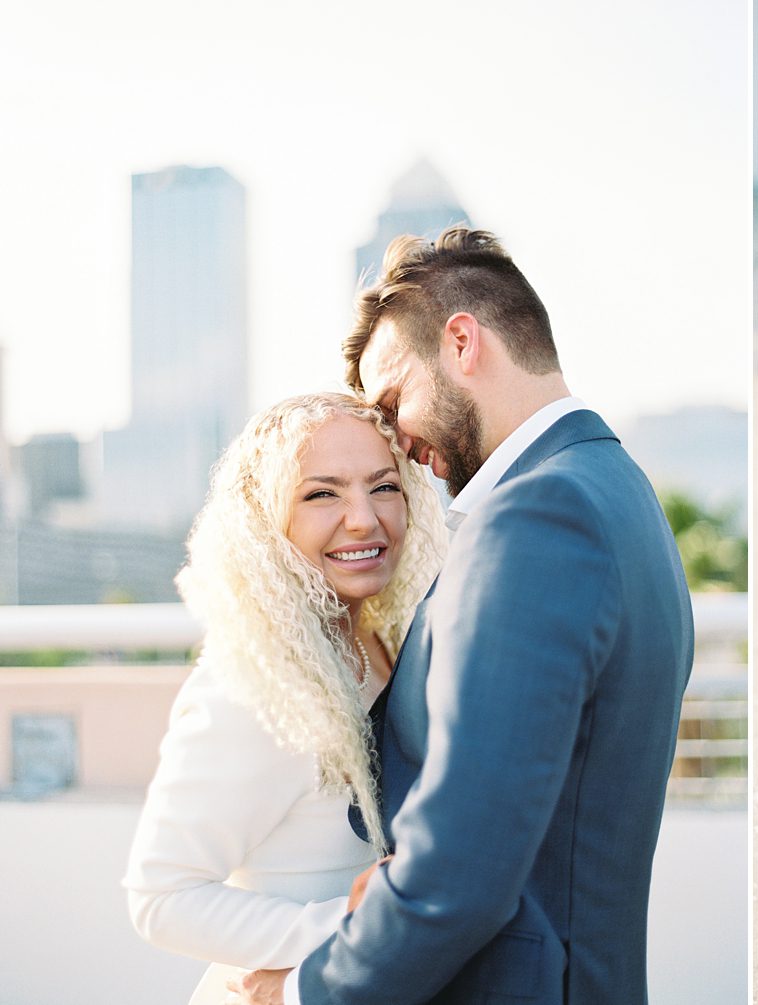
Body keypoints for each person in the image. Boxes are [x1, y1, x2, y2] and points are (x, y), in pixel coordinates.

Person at [232, 227, 695, 1005]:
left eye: (392, 399)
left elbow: (465, 860)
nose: (401, 442)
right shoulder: (619, 488)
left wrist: (307, 991)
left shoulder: (538, 517)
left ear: (461, 341)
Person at [122, 392, 447, 1005]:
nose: (362, 519)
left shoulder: (382, 642)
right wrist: (354, 936)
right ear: (265, 518)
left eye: (384, 487)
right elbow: (160, 896)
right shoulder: (249, 684)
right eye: (322, 493)